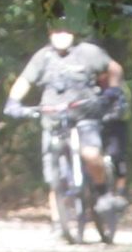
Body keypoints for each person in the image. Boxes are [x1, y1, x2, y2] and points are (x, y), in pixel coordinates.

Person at [6, 23, 122, 218]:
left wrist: (113, 89)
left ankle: (103, 194)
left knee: (91, 154)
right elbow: (25, 80)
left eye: (67, 30)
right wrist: (13, 101)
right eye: (57, 31)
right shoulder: (42, 57)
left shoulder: (88, 52)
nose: (62, 35)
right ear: (50, 33)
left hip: (85, 114)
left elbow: (114, 68)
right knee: (54, 175)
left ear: (73, 33)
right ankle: (59, 222)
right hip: (53, 119)